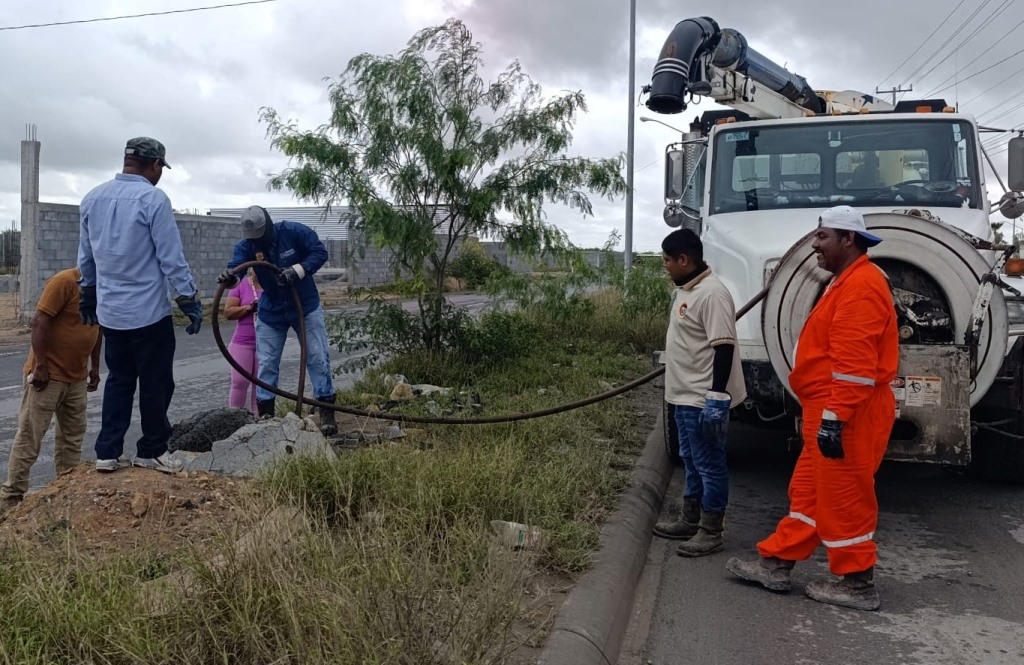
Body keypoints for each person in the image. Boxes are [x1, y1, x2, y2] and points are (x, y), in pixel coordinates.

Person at [726, 205, 898, 611]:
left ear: (848, 239)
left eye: (822, 237)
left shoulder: (862, 286)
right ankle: (776, 564)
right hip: (832, 409)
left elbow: (855, 368)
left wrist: (835, 420)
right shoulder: (846, 281)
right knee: (809, 492)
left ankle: (858, 584)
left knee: (844, 498)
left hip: (847, 412)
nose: (814, 244)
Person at [78, 137, 204, 475]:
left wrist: (87, 292)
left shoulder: (92, 198)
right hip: (148, 314)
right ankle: (152, 450)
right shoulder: (153, 199)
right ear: (156, 164)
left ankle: (107, 453)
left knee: (119, 380)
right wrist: (188, 297)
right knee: (156, 382)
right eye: (161, 167)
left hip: (111, 314)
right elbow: (170, 257)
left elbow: (86, 256)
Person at [652, 228, 746, 557]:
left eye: (667, 260)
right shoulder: (686, 290)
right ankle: (690, 518)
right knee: (690, 460)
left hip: (701, 398)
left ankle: (711, 530)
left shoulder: (712, 294)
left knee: (709, 463)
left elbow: (723, 348)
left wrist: (717, 398)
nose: (664, 265)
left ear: (684, 260)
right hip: (681, 395)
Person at [218, 205, 337, 435]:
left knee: (316, 357)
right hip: (272, 309)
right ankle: (266, 415)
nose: (257, 241)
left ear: (269, 225)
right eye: (252, 237)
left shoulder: (294, 232)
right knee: (267, 362)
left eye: (260, 236)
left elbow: (319, 253)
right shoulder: (247, 246)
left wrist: (297, 270)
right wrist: (230, 279)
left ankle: (326, 410)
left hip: (304, 306)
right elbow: (237, 270)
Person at [0, 268, 102, 513]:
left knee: (72, 438)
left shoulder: (105, 286)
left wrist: (95, 367)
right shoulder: (65, 281)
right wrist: (41, 366)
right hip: (48, 377)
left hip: (77, 377)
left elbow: (97, 329)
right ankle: (12, 495)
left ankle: (65, 490)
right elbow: (39, 321)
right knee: (31, 435)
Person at [223, 268, 262, 414]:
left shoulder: (273, 285)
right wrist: (248, 308)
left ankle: (259, 419)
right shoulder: (241, 284)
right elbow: (228, 312)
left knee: (261, 384)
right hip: (243, 342)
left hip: (265, 343)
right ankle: (234, 417)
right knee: (240, 382)